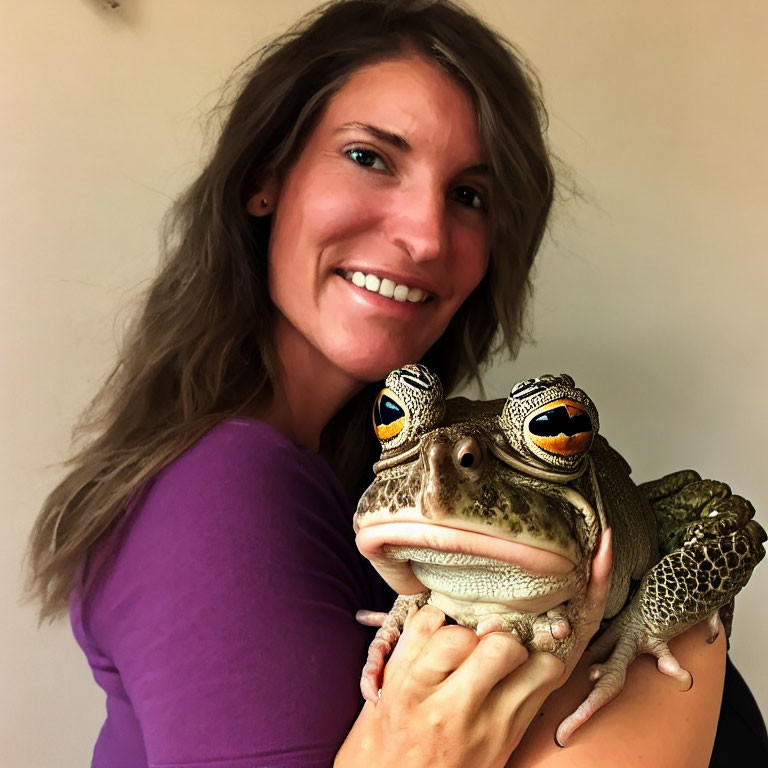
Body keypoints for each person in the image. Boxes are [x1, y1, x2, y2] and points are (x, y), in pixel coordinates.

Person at [26, 1, 751, 766]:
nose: (426, 234)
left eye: (470, 195)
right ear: (267, 175)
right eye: (370, 156)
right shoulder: (225, 488)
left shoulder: (340, 471)